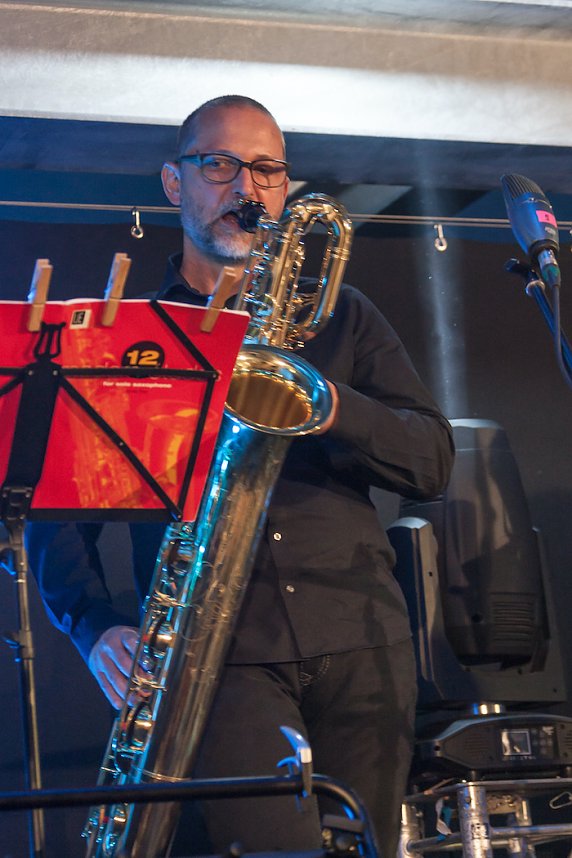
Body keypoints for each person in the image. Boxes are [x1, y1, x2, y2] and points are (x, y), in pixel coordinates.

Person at [27, 95, 454, 858]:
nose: (245, 188)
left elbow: (430, 463)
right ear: (173, 182)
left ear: (285, 190)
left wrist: (324, 405)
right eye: (219, 164)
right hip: (215, 655)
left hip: (361, 642)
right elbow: (58, 519)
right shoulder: (135, 334)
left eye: (266, 169)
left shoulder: (345, 317)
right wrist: (95, 631)